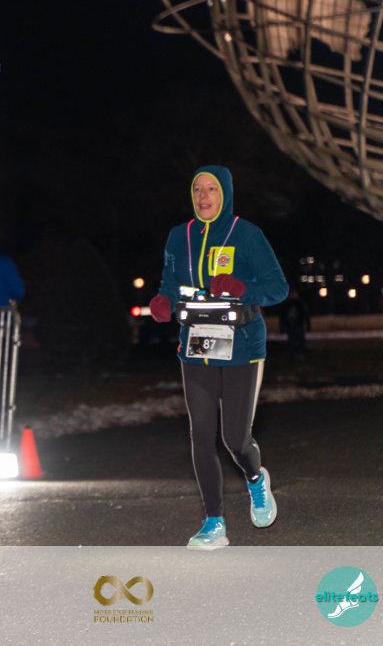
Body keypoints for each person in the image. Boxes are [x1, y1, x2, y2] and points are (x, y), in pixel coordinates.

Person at [148, 165, 288, 550]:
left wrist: (242, 287)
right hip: (196, 347)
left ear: (224, 194)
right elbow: (170, 283)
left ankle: (256, 479)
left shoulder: (247, 234)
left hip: (242, 347)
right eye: (197, 189)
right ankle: (214, 522)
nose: (203, 196)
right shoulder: (179, 236)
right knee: (200, 434)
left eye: (211, 189)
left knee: (235, 439)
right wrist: (163, 302)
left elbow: (277, 288)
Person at [278, 289, 311, 362]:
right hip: (291, 326)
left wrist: (308, 325)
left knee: (300, 341)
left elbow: (305, 314)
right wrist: (282, 327)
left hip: (298, 325)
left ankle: (299, 355)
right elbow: (282, 317)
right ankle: (292, 357)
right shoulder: (287, 304)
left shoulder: (299, 303)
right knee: (292, 342)